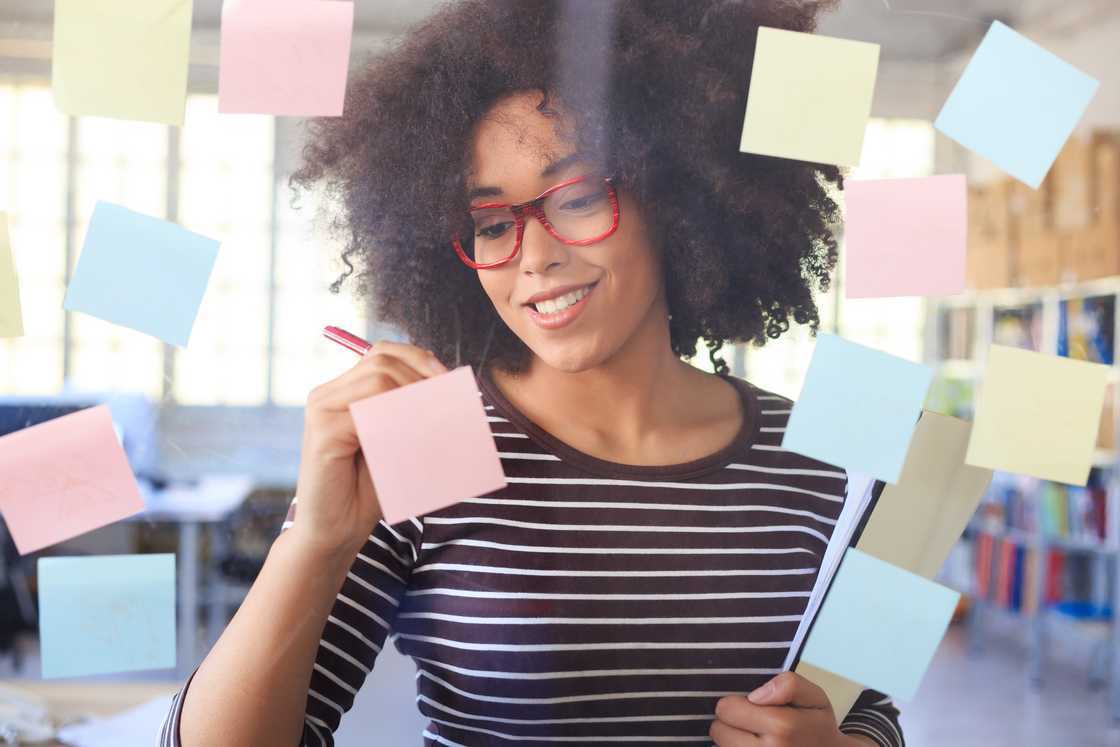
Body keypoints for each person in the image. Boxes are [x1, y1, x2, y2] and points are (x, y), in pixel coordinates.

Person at [163, 1, 905, 744]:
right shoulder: (426, 446)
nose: (534, 254)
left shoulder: (823, 460)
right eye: (491, 223)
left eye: (578, 197)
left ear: (677, 198)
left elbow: (873, 710)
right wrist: (316, 540)